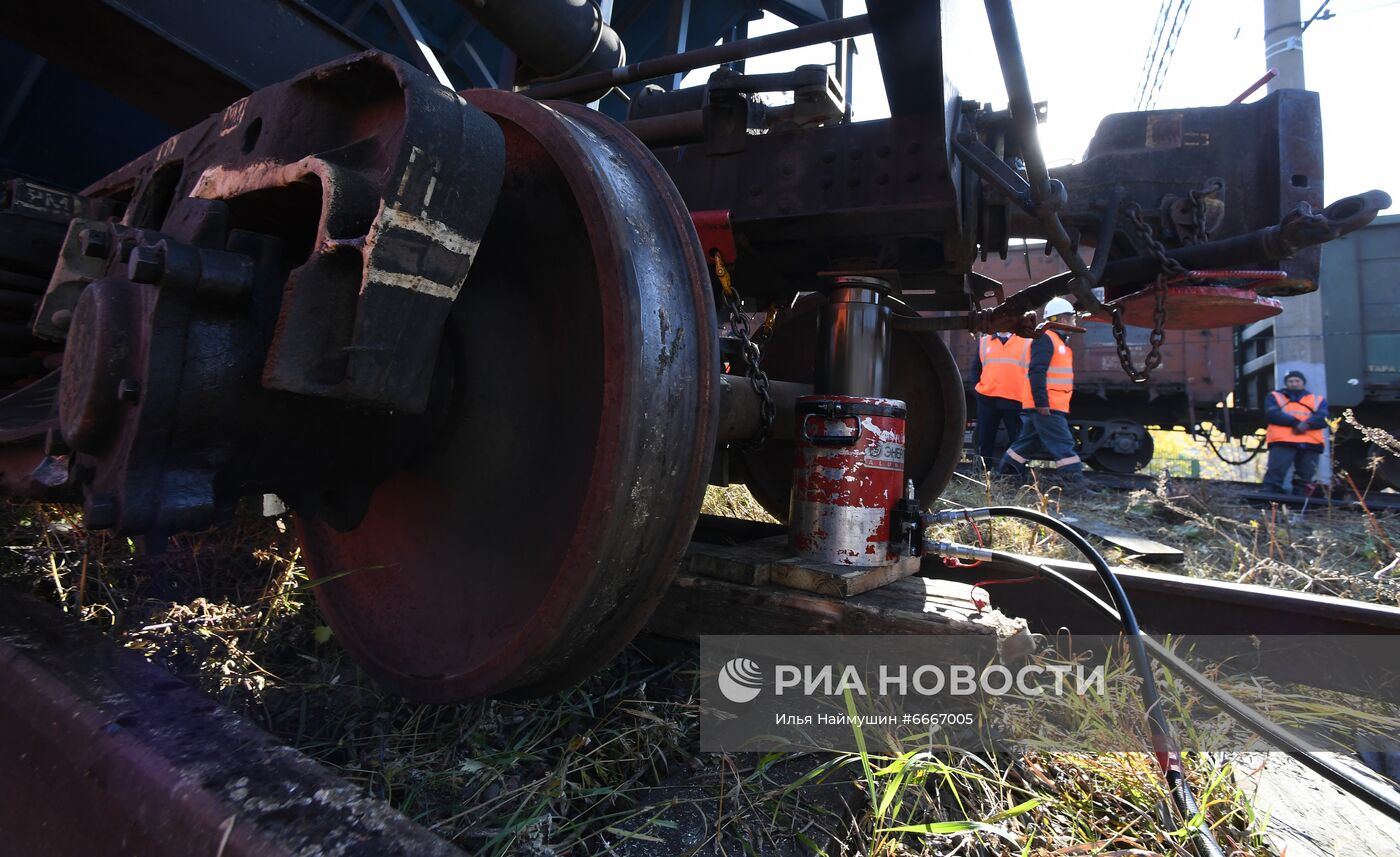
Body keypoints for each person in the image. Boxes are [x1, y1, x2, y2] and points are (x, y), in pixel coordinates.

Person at [998, 297, 1084, 481]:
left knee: (1027, 444)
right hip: (1047, 405)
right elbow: (1037, 372)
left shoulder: (1057, 341)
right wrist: (1041, 403)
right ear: (1062, 319)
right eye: (1072, 318)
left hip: (1049, 404)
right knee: (1063, 443)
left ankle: (1003, 476)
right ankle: (1076, 485)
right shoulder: (1046, 339)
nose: (1074, 322)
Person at [1261, 370, 1328, 494]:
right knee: (1276, 472)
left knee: (1306, 476)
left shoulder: (1317, 400)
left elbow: (1323, 418)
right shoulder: (1275, 396)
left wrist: (1306, 425)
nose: (1294, 383)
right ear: (1286, 383)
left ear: (1303, 382)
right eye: (1290, 381)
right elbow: (1272, 414)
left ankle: (1299, 499)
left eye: (1297, 381)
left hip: (1310, 442)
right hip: (1282, 440)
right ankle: (1269, 498)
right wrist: (1296, 423)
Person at [969, 331, 1029, 467]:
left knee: (1017, 441)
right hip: (987, 400)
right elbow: (976, 369)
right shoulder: (985, 342)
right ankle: (983, 473)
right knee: (985, 440)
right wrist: (976, 390)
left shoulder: (1025, 342)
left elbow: (1033, 370)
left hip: (1015, 400)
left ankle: (1017, 474)